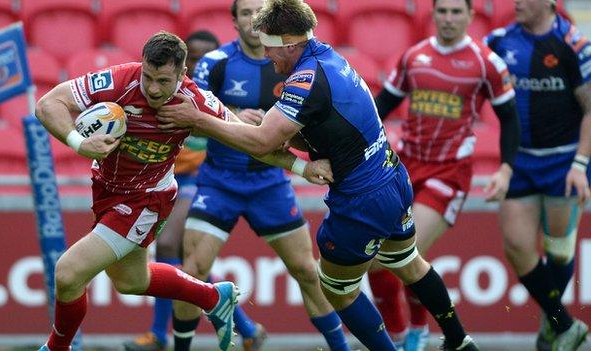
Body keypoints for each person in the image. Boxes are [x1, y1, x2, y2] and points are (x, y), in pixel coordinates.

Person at [156, 0, 479, 350]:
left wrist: (199, 120)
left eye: (270, 46)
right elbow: (314, 127)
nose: (267, 55)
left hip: (361, 200)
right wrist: (278, 135)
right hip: (390, 177)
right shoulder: (329, 58)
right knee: (409, 264)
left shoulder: (306, 79)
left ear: (289, 42)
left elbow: (265, 141)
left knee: (335, 289)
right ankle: (460, 340)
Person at [32, 31, 313, 351]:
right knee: (130, 282)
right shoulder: (121, 79)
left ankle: (57, 347)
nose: (152, 89)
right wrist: (80, 143)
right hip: (107, 191)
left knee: (68, 274)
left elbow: (256, 143)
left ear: (182, 74)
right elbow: (48, 103)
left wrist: (303, 168)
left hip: (146, 199)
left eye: (163, 81)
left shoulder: (196, 103)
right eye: (148, 77)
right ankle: (212, 296)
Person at [169, 1, 351, 351]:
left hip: (270, 183)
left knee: (307, 272)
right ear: (234, 21)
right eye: (245, 13)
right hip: (220, 181)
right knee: (193, 271)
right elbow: (193, 121)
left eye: (258, 12)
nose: (253, 19)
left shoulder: (292, 66)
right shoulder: (215, 64)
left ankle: (341, 347)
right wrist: (235, 116)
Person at [367, 0, 521, 350]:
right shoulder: (413, 57)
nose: (449, 18)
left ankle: (416, 335)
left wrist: (506, 169)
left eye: (456, 12)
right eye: (443, 11)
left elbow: (510, 119)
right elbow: (382, 107)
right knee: (382, 261)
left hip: (448, 173)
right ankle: (402, 334)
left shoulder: (486, 63)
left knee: (397, 253)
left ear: (470, 15)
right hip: (404, 167)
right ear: (433, 15)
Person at [122, 30, 267, 351]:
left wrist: (231, 121)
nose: (202, 63)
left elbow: (244, 135)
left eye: (207, 58)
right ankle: (247, 328)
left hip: (200, 180)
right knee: (187, 262)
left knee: (169, 246)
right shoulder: (165, 92)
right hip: (169, 179)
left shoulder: (215, 102)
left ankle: (161, 335)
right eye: (196, 57)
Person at [485, 0, 591, 350]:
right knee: (517, 246)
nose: (516, 2)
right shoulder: (499, 41)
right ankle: (564, 323)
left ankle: (553, 327)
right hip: (519, 161)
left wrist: (579, 164)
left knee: (559, 252)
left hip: (563, 163)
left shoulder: (575, 45)